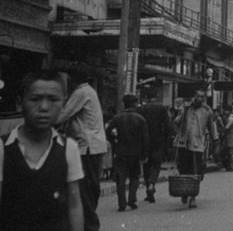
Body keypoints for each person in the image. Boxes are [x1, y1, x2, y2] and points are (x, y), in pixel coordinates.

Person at [0, 69, 84, 231]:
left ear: (63, 104)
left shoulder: (69, 149)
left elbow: (74, 205)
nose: (44, 107)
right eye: (35, 99)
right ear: (20, 103)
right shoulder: (3, 149)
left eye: (53, 99)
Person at [57, 68, 107, 231]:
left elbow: (62, 115)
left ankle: (89, 225)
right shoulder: (90, 91)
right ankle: (89, 224)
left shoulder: (81, 92)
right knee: (90, 189)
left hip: (87, 147)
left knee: (84, 191)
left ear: (72, 80)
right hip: (94, 146)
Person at [173, 89, 218, 208]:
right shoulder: (186, 108)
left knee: (195, 171)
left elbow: (212, 127)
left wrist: (215, 141)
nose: (199, 98)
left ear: (204, 99)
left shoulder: (207, 111)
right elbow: (177, 122)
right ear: (194, 97)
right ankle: (184, 192)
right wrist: (183, 113)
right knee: (183, 168)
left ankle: (193, 197)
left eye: (201, 97)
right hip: (183, 144)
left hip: (197, 144)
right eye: (197, 96)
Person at [105, 93, 149, 212]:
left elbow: (107, 131)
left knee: (121, 178)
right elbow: (145, 139)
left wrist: (114, 141)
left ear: (124, 104)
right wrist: (144, 154)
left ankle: (121, 204)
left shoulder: (117, 118)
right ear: (135, 104)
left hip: (121, 151)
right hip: (136, 152)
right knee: (135, 177)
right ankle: (132, 200)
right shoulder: (140, 119)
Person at [139, 88, 171, 202]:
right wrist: (167, 138)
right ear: (156, 96)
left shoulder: (141, 109)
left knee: (146, 165)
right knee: (156, 164)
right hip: (158, 140)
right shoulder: (161, 108)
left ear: (146, 97)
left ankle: (148, 187)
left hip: (145, 141)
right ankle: (152, 183)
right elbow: (167, 125)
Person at [220, 105, 233, 171]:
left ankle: (232, 166)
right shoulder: (227, 118)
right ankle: (229, 165)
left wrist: (222, 131)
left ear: (229, 111)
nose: (225, 111)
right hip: (228, 136)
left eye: (226, 110)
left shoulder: (231, 119)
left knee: (231, 153)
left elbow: (226, 128)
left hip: (231, 136)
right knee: (228, 152)